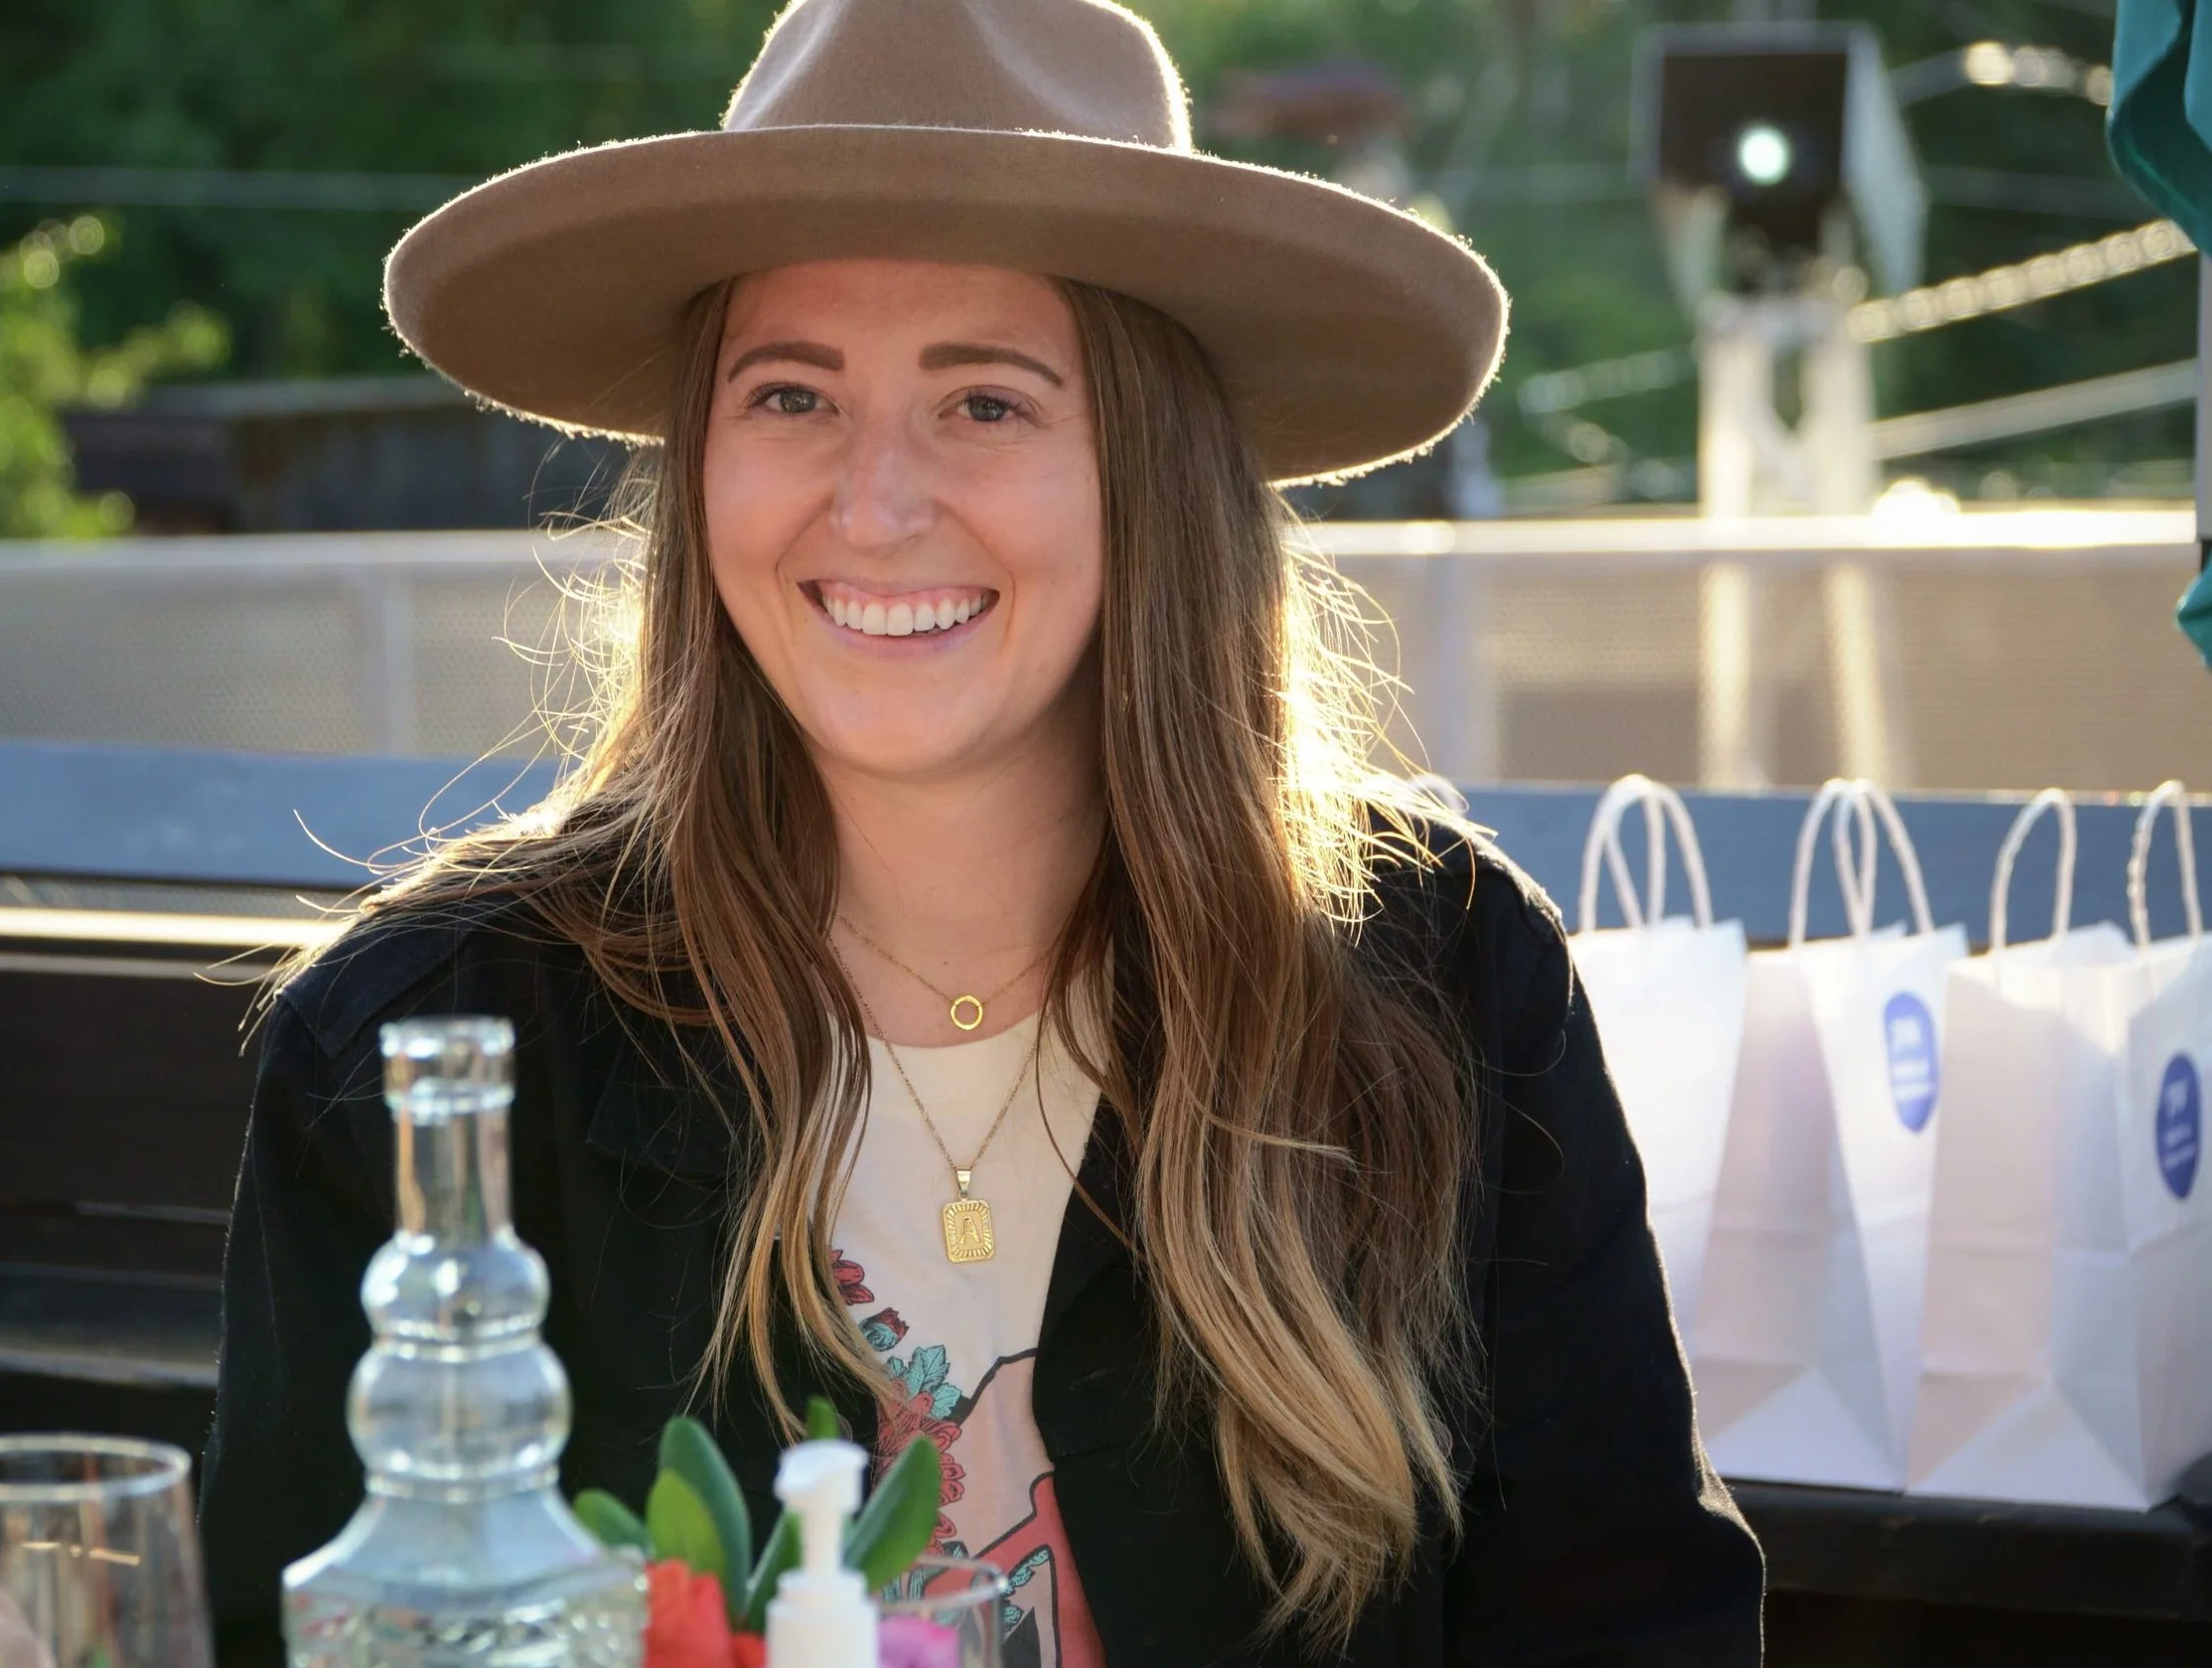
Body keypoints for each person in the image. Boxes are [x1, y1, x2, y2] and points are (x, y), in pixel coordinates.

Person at [198, 1, 1764, 1663]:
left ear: (1154, 471)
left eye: (987, 405)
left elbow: (1632, 1626)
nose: (875, 505)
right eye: (790, 396)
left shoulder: (1442, 980)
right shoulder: (427, 1045)